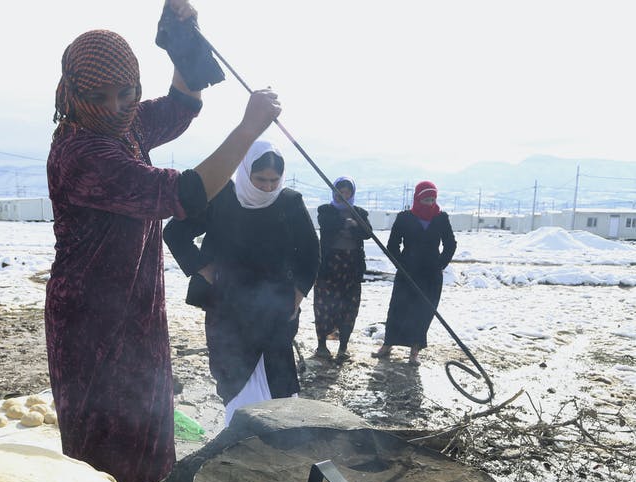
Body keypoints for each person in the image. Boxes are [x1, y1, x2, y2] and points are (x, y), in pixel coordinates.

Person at [46, 6, 281, 482]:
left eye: (126, 91)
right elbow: (187, 195)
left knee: (146, 415)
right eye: (99, 97)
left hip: (135, 303)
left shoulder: (124, 124)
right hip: (90, 316)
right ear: (73, 94)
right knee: (102, 435)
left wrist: (180, 37)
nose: (115, 105)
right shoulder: (83, 152)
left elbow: (179, 107)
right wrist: (247, 130)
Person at [164, 140, 319, 425]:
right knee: (234, 377)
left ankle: (279, 442)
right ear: (245, 172)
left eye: (274, 181)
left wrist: (296, 297)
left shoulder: (289, 203)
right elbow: (174, 233)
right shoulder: (222, 197)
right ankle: (238, 438)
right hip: (228, 307)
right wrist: (204, 269)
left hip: (276, 307)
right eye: (260, 180)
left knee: (279, 381)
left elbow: (310, 254)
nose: (268, 187)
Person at [373, 180, 457, 365]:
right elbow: (392, 245)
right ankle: (388, 345)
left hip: (431, 275)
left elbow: (450, 244)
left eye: (432, 199)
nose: (429, 203)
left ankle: (415, 350)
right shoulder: (404, 218)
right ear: (418, 198)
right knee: (398, 309)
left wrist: (439, 265)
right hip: (407, 272)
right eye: (426, 199)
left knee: (423, 311)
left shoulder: (441, 218)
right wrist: (401, 265)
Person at [312, 176, 373, 362]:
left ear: (352, 193)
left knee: (349, 306)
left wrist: (355, 225)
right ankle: (322, 345)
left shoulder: (360, 213)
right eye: (340, 192)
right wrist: (347, 223)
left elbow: (367, 233)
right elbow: (328, 225)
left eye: (347, 192)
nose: (343, 195)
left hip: (351, 266)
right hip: (329, 265)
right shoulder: (326, 210)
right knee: (324, 304)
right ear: (334, 193)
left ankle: (343, 347)